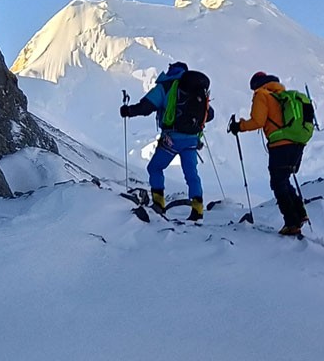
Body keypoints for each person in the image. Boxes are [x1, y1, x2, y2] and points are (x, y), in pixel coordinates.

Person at [119, 62, 213, 221]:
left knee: (155, 168)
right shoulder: (196, 90)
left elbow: (146, 106)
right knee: (192, 174)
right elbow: (209, 114)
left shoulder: (166, 86)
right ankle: (197, 210)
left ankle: (159, 204)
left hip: (172, 138)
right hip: (191, 140)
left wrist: (128, 111)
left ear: (171, 70)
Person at [227, 72, 307, 235]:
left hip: (280, 144)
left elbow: (258, 121)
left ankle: (292, 223)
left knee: (278, 182)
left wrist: (239, 126)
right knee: (284, 179)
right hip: (297, 143)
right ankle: (300, 214)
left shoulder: (261, 95)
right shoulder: (281, 96)